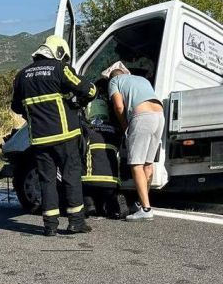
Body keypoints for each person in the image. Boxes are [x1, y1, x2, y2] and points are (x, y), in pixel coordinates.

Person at [12, 35, 97, 236]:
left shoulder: (21, 76)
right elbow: (89, 90)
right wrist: (76, 102)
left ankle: (50, 225)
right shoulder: (60, 69)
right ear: (58, 52)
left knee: (47, 180)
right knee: (71, 176)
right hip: (65, 135)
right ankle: (76, 222)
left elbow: (16, 106)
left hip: (39, 138)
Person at [106, 62, 165, 221]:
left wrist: (125, 126)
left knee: (136, 164)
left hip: (141, 117)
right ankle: (142, 203)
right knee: (148, 163)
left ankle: (146, 209)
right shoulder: (141, 79)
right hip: (159, 116)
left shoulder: (114, 81)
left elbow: (119, 107)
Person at [81, 81, 128, 219]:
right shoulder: (114, 129)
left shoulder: (86, 128)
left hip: (89, 179)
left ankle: (89, 204)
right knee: (106, 201)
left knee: (83, 189)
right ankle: (113, 202)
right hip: (112, 181)